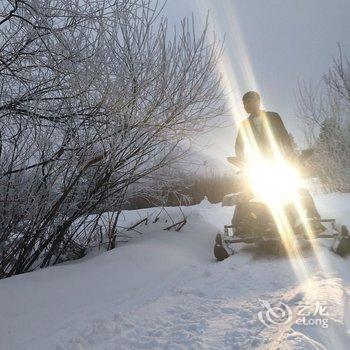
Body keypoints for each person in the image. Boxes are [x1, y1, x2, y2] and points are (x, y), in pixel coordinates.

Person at [235, 91, 295, 161]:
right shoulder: (244, 125)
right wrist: (241, 160)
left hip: (280, 161)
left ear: (257, 101)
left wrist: (290, 156)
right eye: (244, 104)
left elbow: (285, 137)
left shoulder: (274, 116)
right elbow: (239, 145)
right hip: (259, 164)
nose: (245, 106)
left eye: (248, 102)